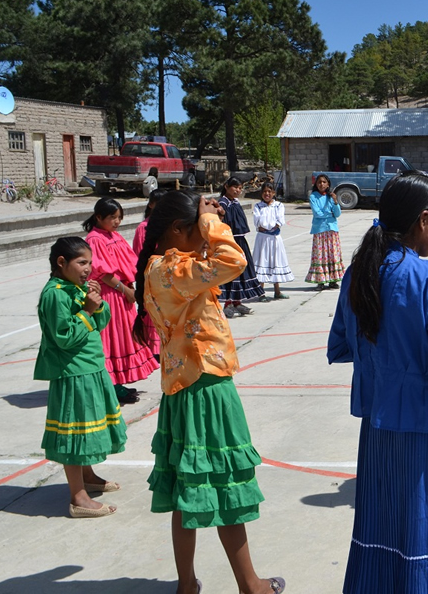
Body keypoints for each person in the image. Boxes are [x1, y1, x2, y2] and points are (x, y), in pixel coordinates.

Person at [328, 172, 428, 593]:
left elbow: (341, 345)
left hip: (379, 428)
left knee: (384, 527)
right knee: (427, 529)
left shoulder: (359, 272)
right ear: (422, 220)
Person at [135, 191, 284, 594]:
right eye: (198, 231)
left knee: (190, 491)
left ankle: (187, 585)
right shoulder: (172, 270)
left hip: (183, 392)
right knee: (225, 488)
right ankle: (251, 585)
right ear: (177, 230)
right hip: (207, 389)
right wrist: (212, 223)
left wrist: (202, 223)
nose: (205, 239)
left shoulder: (162, 268)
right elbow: (235, 260)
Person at [35, 237, 128, 518]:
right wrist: (87, 309)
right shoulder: (55, 294)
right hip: (73, 373)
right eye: (82, 262)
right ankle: (78, 497)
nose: (88, 268)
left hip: (90, 367)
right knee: (75, 432)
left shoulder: (74, 288)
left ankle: (86, 475)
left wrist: (96, 305)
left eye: (89, 262)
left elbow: (99, 324)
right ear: (61, 263)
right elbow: (64, 337)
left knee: (88, 428)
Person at [83, 198, 159, 405]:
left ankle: (116, 382)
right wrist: (125, 289)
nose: (116, 222)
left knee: (124, 337)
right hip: (109, 295)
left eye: (119, 218)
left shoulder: (112, 235)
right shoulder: (95, 239)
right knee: (111, 339)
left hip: (122, 294)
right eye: (112, 218)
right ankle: (111, 385)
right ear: (99, 217)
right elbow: (103, 273)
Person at [218, 177, 266, 316]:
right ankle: (228, 303)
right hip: (230, 242)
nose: (238, 191)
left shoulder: (235, 202)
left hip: (240, 241)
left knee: (241, 271)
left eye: (240, 188)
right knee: (231, 272)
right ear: (226, 186)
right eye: (235, 187)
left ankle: (237, 302)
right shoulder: (223, 204)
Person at [133, 188, 169, 360]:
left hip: (168, 276)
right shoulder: (143, 228)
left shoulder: (169, 225)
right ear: (151, 204)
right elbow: (140, 254)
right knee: (152, 313)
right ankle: (153, 349)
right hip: (151, 277)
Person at [252, 182, 294, 300]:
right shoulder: (258, 206)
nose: (267, 194)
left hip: (275, 239)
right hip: (263, 239)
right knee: (263, 262)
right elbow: (258, 222)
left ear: (273, 193)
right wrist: (268, 226)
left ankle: (277, 291)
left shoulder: (279, 205)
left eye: (269, 191)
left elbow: (280, 220)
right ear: (261, 193)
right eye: (265, 191)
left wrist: (271, 227)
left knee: (275, 262)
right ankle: (261, 293)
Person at [305, 173, 344, 290]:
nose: (321, 184)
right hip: (320, 230)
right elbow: (317, 213)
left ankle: (333, 280)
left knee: (333, 255)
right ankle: (320, 281)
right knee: (320, 255)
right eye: (319, 182)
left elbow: (337, 214)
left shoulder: (331, 197)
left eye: (324, 182)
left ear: (328, 184)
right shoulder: (313, 197)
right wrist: (329, 213)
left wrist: (335, 202)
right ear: (316, 184)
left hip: (332, 230)